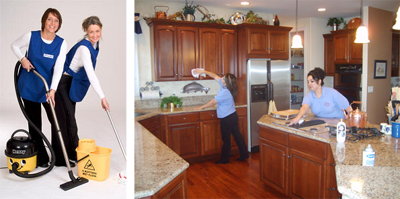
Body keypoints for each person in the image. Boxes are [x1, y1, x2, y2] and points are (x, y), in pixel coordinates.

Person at [11, 8, 67, 168]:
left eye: (56, 21)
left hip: (47, 88)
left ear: (59, 24)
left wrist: (53, 90)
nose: (52, 23)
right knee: (35, 123)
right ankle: (41, 157)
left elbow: (58, 68)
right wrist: (22, 58)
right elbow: (14, 45)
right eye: (50, 19)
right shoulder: (31, 36)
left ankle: (60, 157)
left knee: (58, 120)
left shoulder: (61, 43)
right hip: (29, 86)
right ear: (44, 21)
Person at [54, 16, 109, 167]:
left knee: (69, 117)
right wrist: (102, 97)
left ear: (101, 29)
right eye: (91, 32)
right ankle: (70, 154)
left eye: (97, 31)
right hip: (62, 82)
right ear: (86, 31)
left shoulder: (95, 45)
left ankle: (72, 153)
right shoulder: (84, 48)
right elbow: (90, 73)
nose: (95, 35)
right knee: (68, 118)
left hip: (71, 82)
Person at [193, 69, 249, 164]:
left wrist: (201, 107)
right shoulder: (225, 86)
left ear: (226, 83)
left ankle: (224, 159)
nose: (221, 78)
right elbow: (215, 76)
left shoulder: (225, 91)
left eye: (223, 78)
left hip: (227, 118)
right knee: (237, 136)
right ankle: (244, 154)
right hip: (232, 115)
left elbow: (214, 101)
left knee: (226, 139)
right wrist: (204, 71)